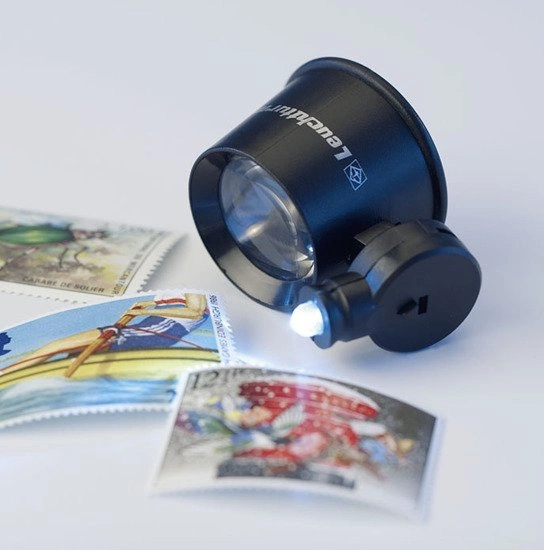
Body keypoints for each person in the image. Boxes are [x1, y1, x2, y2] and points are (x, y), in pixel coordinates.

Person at [0, 293, 208, 376]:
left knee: (63, 352)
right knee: (58, 347)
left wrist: (144, 311)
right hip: (143, 326)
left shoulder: (197, 290)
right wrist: (147, 304)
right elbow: (170, 302)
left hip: (157, 331)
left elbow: (195, 311)